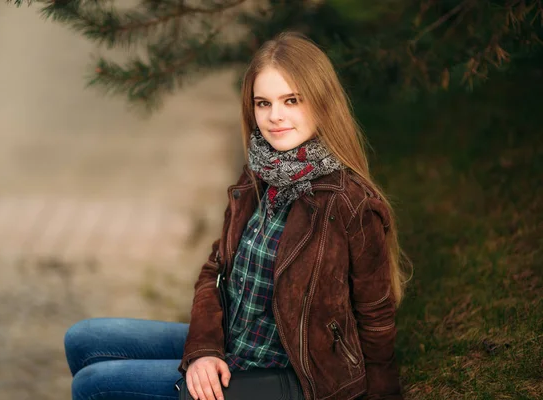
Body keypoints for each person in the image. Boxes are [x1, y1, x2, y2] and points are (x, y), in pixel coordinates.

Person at [64, 31, 411, 400]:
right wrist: (204, 350)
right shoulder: (259, 177)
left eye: (291, 100)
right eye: (263, 103)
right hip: (236, 344)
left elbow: (376, 317)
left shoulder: (349, 202)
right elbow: (214, 271)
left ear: (321, 103)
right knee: (85, 339)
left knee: (94, 385)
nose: (275, 116)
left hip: (295, 375)